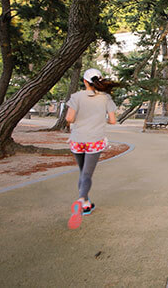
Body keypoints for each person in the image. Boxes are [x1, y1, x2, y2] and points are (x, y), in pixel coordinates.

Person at [65, 68, 119, 229]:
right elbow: (113, 121)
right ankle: (81, 200)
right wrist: (101, 121)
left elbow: (69, 118)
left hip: (77, 140)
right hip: (94, 140)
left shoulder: (76, 97)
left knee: (82, 172)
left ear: (84, 82)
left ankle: (86, 203)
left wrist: (77, 119)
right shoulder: (105, 98)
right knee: (87, 173)